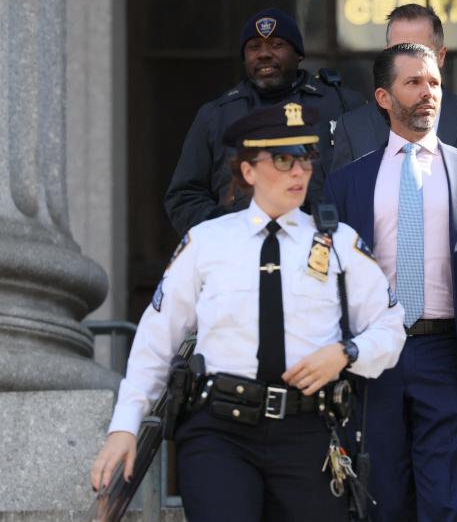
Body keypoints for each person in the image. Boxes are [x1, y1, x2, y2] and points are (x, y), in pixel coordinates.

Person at [90, 102, 405, 521]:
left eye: (306, 158)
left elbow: (390, 327)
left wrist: (346, 353)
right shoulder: (206, 242)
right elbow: (156, 338)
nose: (299, 171)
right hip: (220, 431)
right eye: (282, 159)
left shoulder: (340, 243)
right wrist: (125, 426)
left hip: (308, 430)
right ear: (248, 170)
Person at [331, 2, 457, 519]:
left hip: (451, 358)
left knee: (447, 507)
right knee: (383, 504)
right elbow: (329, 279)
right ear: (383, 96)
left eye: (434, 83)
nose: (428, 94)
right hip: (375, 359)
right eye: (414, 83)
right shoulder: (349, 181)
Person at [165, 7, 365, 236]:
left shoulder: (341, 104)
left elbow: (371, 183)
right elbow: (184, 196)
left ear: (299, 53)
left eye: (277, 45)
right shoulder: (217, 115)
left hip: (325, 246)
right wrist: (226, 231)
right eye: (254, 47)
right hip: (241, 254)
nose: (264, 54)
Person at [331, 3, 457, 235]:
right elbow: (336, 211)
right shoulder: (353, 128)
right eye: (399, 51)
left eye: (421, 52)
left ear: (441, 56)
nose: (410, 61)